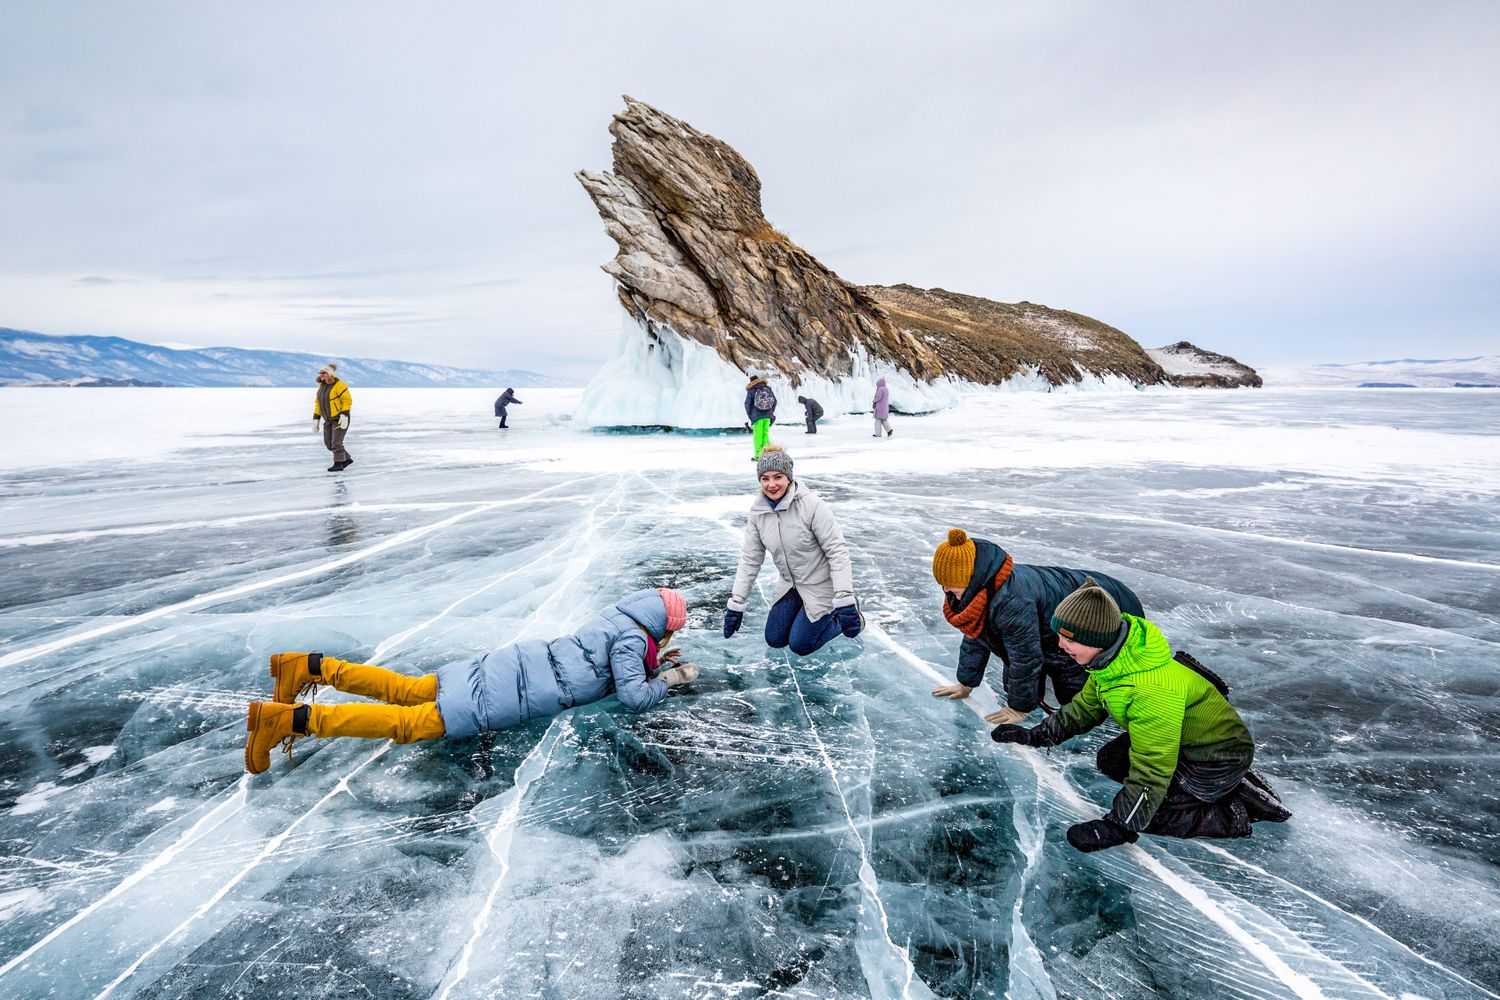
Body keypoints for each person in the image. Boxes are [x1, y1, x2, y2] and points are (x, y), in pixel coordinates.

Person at [244, 588, 698, 773]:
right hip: (502, 695)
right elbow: (634, 695)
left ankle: (308, 667)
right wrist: (671, 679)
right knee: (406, 724)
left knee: (405, 689)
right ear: (665, 624)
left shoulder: (617, 619)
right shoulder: (633, 641)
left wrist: (652, 661)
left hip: (498, 669)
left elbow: (601, 664)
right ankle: (292, 721)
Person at [993, 578, 1291, 852]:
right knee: (1110, 762)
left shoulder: (1149, 690)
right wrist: (1038, 735)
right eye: (1059, 635)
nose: (1060, 645)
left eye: (1070, 639)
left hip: (1215, 757)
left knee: (1150, 816)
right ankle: (1200, 790)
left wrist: (1120, 826)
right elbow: (1086, 707)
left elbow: (1153, 767)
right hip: (1184, 742)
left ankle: (1236, 811)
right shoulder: (1112, 662)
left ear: (1098, 638)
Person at [930, 529, 1142, 725]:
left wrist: (1018, 708)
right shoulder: (975, 592)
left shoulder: (1013, 600)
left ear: (972, 578)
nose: (946, 589)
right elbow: (975, 634)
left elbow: (1026, 656)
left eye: (950, 582)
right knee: (1015, 680)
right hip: (1054, 606)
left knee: (1074, 692)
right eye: (943, 582)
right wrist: (966, 683)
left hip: (1110, 603)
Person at [724, 445, 863, 655]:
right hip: (791, 585)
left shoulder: (812, 506)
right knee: (775, 639)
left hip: (822, 585)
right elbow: (750, 559)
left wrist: (844, 599)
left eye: (778, 477)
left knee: (800, 645)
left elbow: (837, 552)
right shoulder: (758, 512)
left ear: (789, 477)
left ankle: (837, 616)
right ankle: (803, 612)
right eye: (765, 478)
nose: (771, 484)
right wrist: (737, 602)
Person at [313, 362, 353, 472]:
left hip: (339, 418)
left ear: (330, 374)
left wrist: (344, 414)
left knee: (336, 443)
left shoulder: (340, 385)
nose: (321, 375)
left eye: (324, 373)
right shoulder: (322, 387)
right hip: (328, 419)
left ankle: (338, 464)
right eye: (320, 373)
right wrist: (316, 418)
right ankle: (347, 459)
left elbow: (347, 400)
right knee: (329, 444)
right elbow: (318, 404)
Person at [744, 373, 777, 460]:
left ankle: (758, 455)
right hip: (768, 416)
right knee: (765, 434)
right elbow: (775, 401)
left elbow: (747, 404)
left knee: (758, 435)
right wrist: (770, 412)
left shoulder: (751, 390)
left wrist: (751, 416)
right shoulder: (767, 388)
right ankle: (767, 454)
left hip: (757, 416)